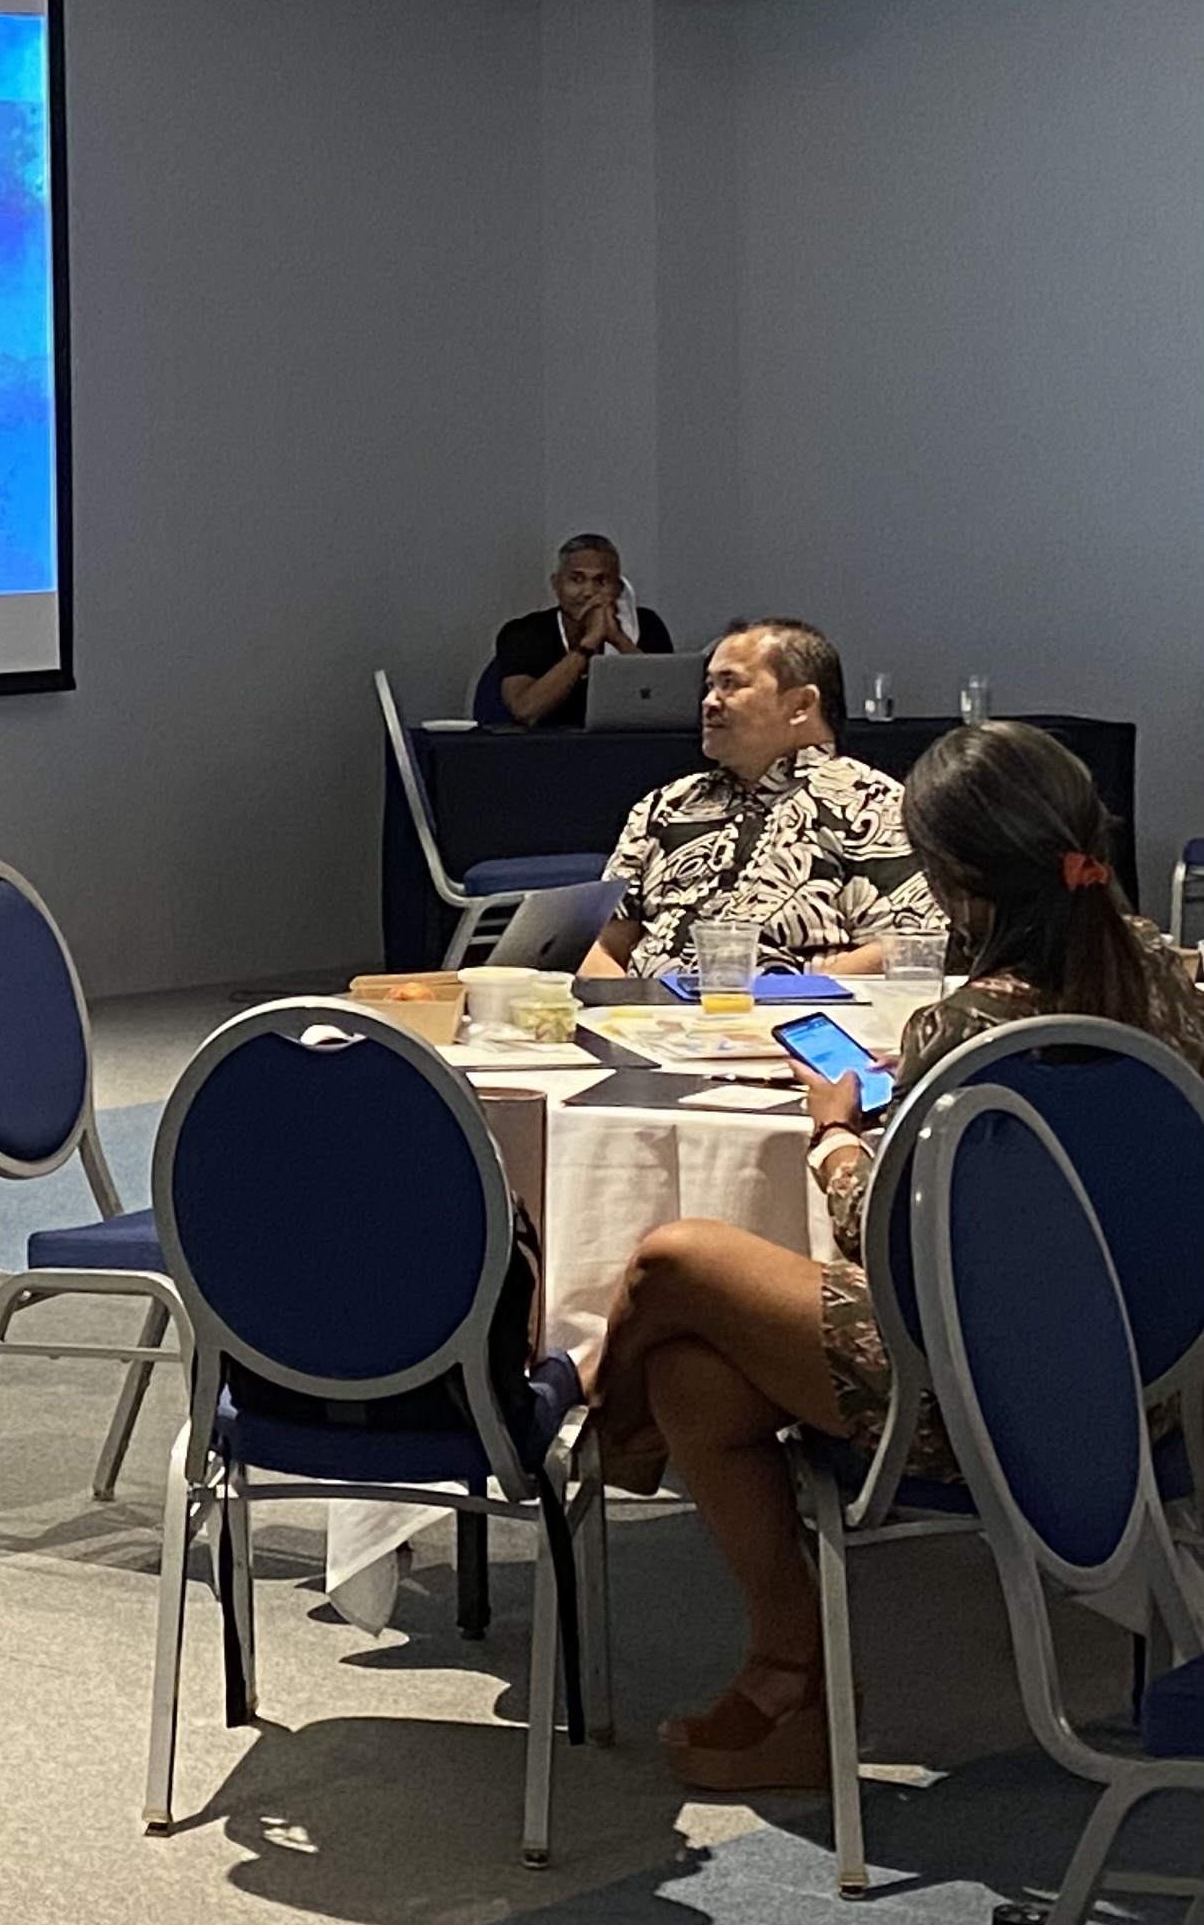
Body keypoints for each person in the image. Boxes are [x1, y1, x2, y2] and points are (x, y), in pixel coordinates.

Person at [589, 721, 1204, 1791]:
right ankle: (785, 1679)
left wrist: (836, 1137)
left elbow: (892, 1236)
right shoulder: (1166, 981)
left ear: (955, 879)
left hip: (977, 1386)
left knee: (674, 1263)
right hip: (1155, 1383)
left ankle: (617, 1439)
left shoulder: (965, 1027)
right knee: (696, 1369)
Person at [581, 618, 945, 979]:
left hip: (792, 1022)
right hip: (645, 1021)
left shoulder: (870, 802)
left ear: (801, 705)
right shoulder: (666, 805)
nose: (708, 702)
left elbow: (915, 942)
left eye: (730, 684)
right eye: (709, 686)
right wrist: (631, 1016)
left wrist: (792, 995)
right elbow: (600, 944)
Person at [486, 532, 675, 728]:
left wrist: (619, 639)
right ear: (556, 584)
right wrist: (587, 645)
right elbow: (526, 710)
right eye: (576, 580)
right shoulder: (523, 633)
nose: (588, 592)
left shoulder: (647, 625)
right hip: (546, 749)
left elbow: (668, 703)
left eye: (601, 581)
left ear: (618, 589)